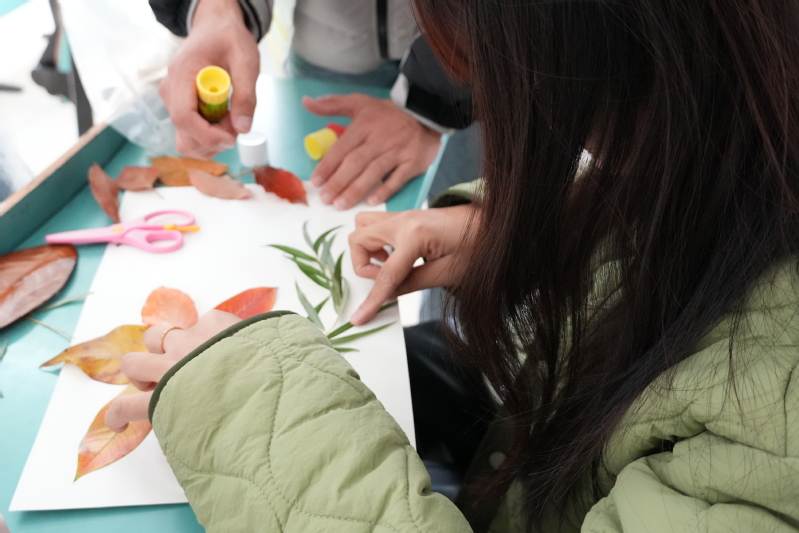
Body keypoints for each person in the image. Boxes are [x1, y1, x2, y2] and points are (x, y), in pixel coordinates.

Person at [106, 0, 799, 531]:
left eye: (502, 88)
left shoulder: (770, 444)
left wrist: (253, 411)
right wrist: (522, 230)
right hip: (534, 430)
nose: (494, 109)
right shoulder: (752, 129)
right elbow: (685, 181)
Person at [149, 0, 479, 210]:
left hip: (471, 68)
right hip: (328, 60)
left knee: (462, 226)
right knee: (332, 200)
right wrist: (217, 10)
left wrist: (434, 99)